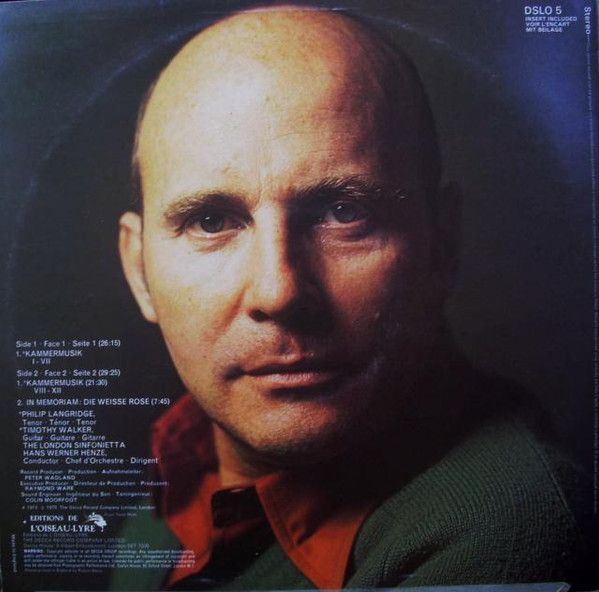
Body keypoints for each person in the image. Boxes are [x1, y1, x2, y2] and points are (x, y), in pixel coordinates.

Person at [115, 5, 593, 590]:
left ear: (442, 245)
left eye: (345, 213)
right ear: (139, 271)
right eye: (211, 221)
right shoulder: (180, 468)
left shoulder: (506, 533)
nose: (279, 291)